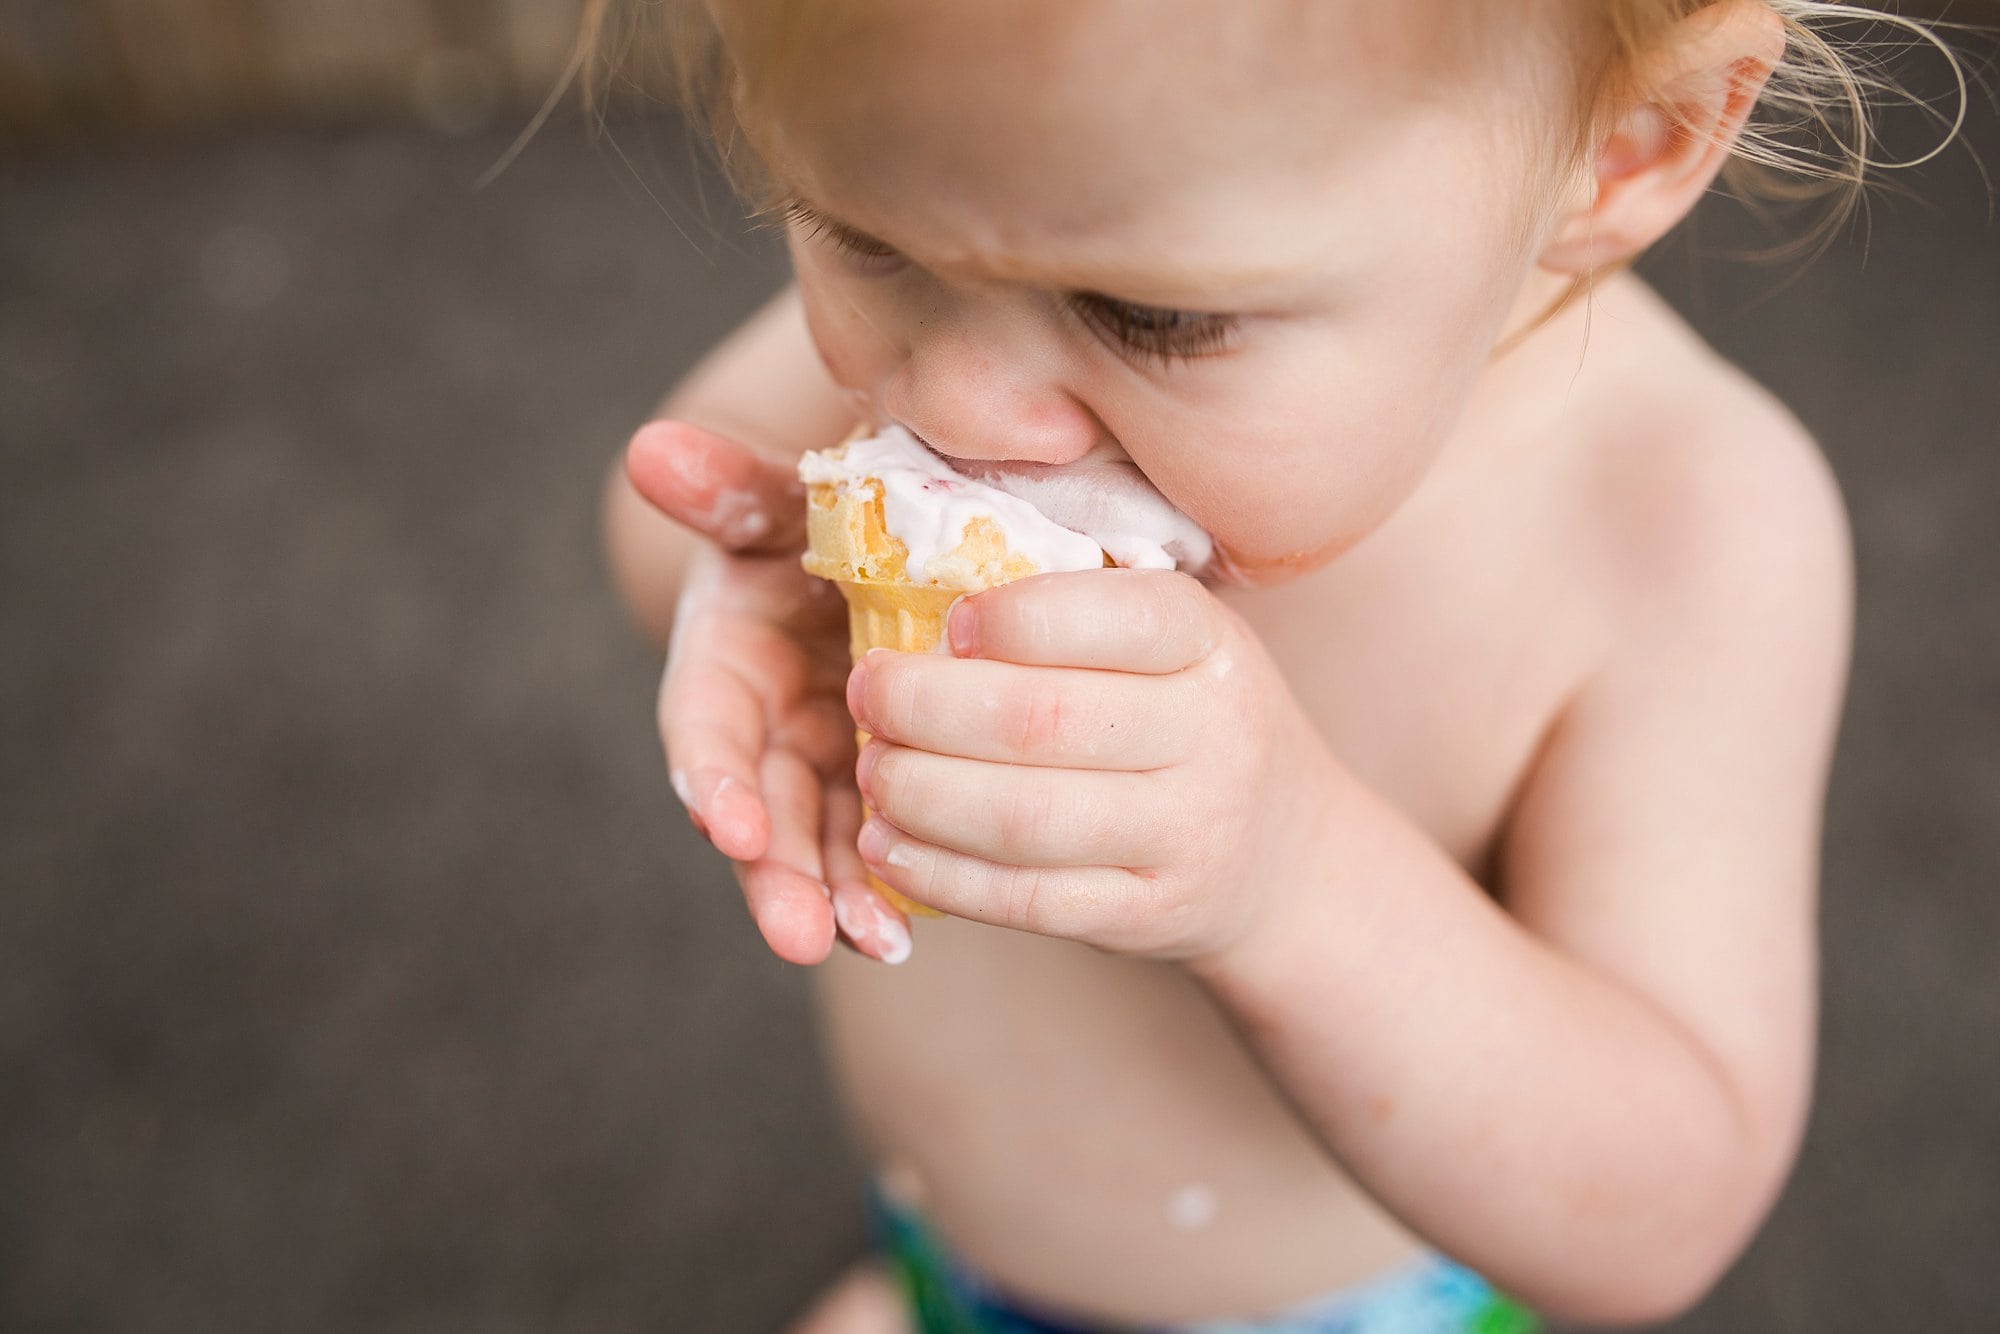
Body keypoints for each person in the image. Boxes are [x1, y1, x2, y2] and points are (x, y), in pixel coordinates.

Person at [595, 2, 1958, 1329]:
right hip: (954, 1252)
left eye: (1150, 318)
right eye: (853, 235)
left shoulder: (1673, 526)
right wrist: (756, 583)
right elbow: (687, 493)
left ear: (1629, 144)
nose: (953, 408)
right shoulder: (989, 222)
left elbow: (1664, 1204)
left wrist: (1288, 879)